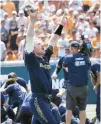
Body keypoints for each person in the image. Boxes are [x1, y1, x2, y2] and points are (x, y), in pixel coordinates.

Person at [24, 9, 66, 124]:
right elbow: (30, 38)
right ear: (32, 48)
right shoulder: (31, 59)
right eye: (38, 44)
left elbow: (53, 40)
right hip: (38, 100)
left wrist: (61, 24)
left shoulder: (45, 58)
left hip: (46, 100)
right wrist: (32, 23)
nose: (42, 45)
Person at [63, 41, 90, 124]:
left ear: (71, 48)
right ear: (78, 48)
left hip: (72, 87)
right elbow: (88, 66)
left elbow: (64, 66)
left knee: (69, 109)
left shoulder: (68, 57)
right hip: (84, 87)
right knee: (82, 109)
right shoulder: (86, 57)